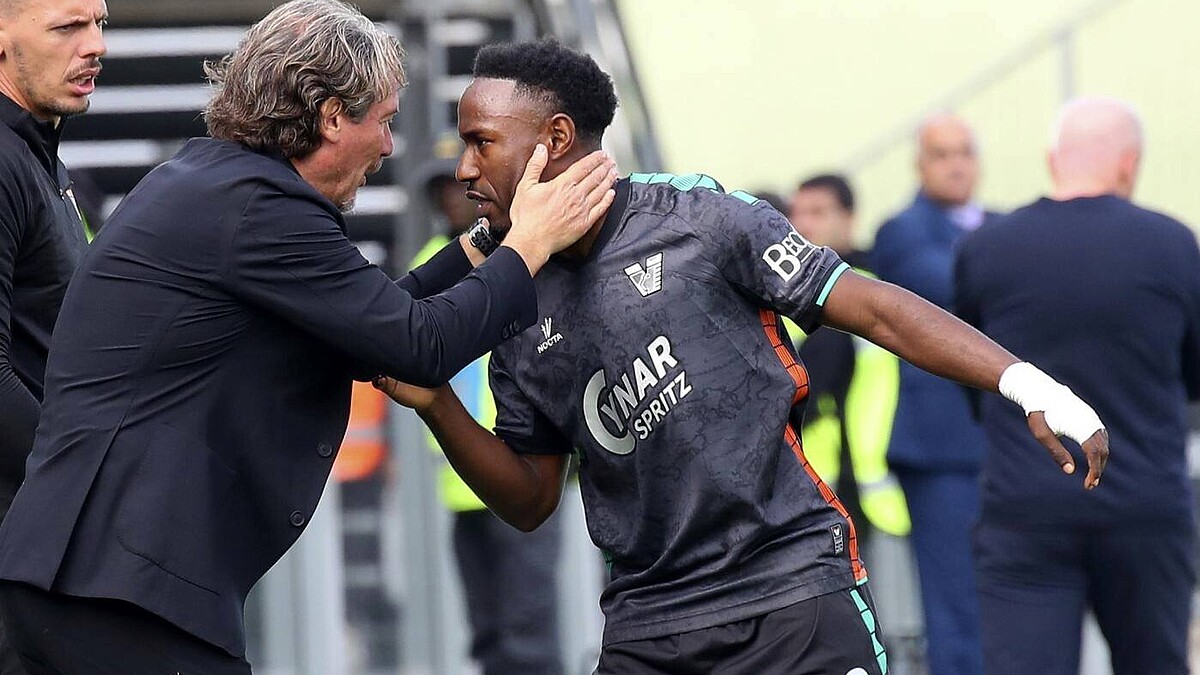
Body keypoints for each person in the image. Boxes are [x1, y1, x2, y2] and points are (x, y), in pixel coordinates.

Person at [373, 38, 1109, 675]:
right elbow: (531, 498)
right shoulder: (509, 296)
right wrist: (437, 403)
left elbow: (875, 308)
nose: (464, 169)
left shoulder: (694, 217)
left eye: (481, 142)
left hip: (790, 596)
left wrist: (1024, 382)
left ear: (556, 138)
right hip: (647, 626)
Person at [0, 1, 616, 673]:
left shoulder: (224, 185)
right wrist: (530, 244)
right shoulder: (258, 208)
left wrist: (488, 243)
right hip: (117, 588)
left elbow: (376, 318)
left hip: (89, 582)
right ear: (330, 116)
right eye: (383, 121)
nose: (388, 146)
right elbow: (419, 344)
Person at [955, 97, 1200, 675]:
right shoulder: (1173, 244)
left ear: (1052, 159)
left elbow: (973, 372)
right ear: (1130, 163)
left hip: (1025, 509)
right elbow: (1193, 376)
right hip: (1144, 511)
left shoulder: (987, 247)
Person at [412, 166, 564, 675]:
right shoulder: (431, 262)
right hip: (463, 479)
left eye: (459, 189)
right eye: (442, 191)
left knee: (528, 626)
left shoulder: (523, 251)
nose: (455, 198)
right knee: (488, 629)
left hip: (522, 459)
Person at [0, 1, 106, 673]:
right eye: (69, 27)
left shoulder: (39, 158)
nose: (95, 45)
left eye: (100, 24)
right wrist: (88, 484)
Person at [870, 113, 995, 675]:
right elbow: (945, 285)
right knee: (956, 609)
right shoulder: (901, 231)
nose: (956, 164)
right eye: (942, 154)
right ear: (919, 165)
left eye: (965, 151)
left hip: (1007, 445)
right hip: (941, 450)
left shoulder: (999, 226)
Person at [787, 174, 909, 545]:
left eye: (817, 212)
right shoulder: (784, 295)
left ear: (849, 218)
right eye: (796, 213)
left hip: (871, 485)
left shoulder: (863, 288)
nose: (802, 224)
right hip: (821, 486)